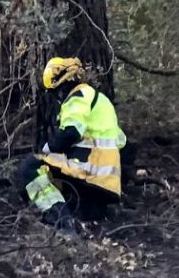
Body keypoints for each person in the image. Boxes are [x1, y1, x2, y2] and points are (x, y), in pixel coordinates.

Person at [18, 57, 126, 234]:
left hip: (86, 172)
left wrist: (46, 151)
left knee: (29, 168)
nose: (57, 96)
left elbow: (70, 132)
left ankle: (61, 220)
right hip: (107, 185)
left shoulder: (79, 96)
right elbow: (123, 143)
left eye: (57, 90)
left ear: (66, 81)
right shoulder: (103, 103)